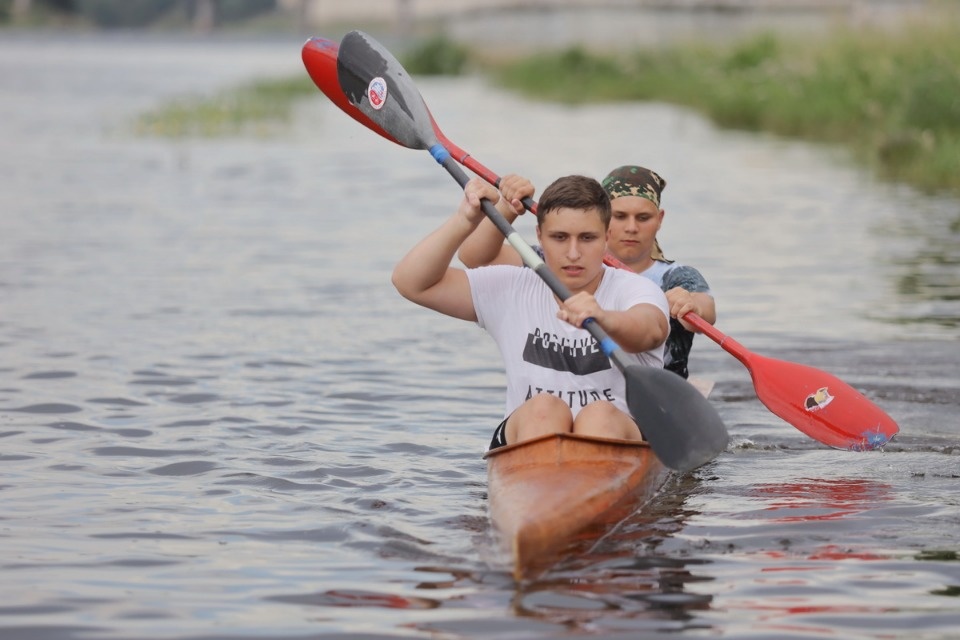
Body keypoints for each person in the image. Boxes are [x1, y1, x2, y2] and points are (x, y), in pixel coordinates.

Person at [392, 175, 669, 450]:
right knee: (544, 409)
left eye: (587, 238)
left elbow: (650, 329)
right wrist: (465, 220)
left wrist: (605, 317)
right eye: (559, 237)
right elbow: (410, 283)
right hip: (532, 430)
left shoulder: (634, 289)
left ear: (607, 237)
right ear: (539, 236)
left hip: (616, 434)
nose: (573, 253)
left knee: (599, 415)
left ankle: (574, 484)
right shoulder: (511, 287)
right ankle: (549, 483)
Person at [457, 166, 716, 380]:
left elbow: (706, 311)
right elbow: (475, 259)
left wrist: (689, 304)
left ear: (659, 219)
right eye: (620, 216)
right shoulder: (557, 260)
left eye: (643, 218)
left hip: (657, 394)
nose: (631, 228)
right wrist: (508, 208)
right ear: (603, 220)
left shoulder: (677, 276)